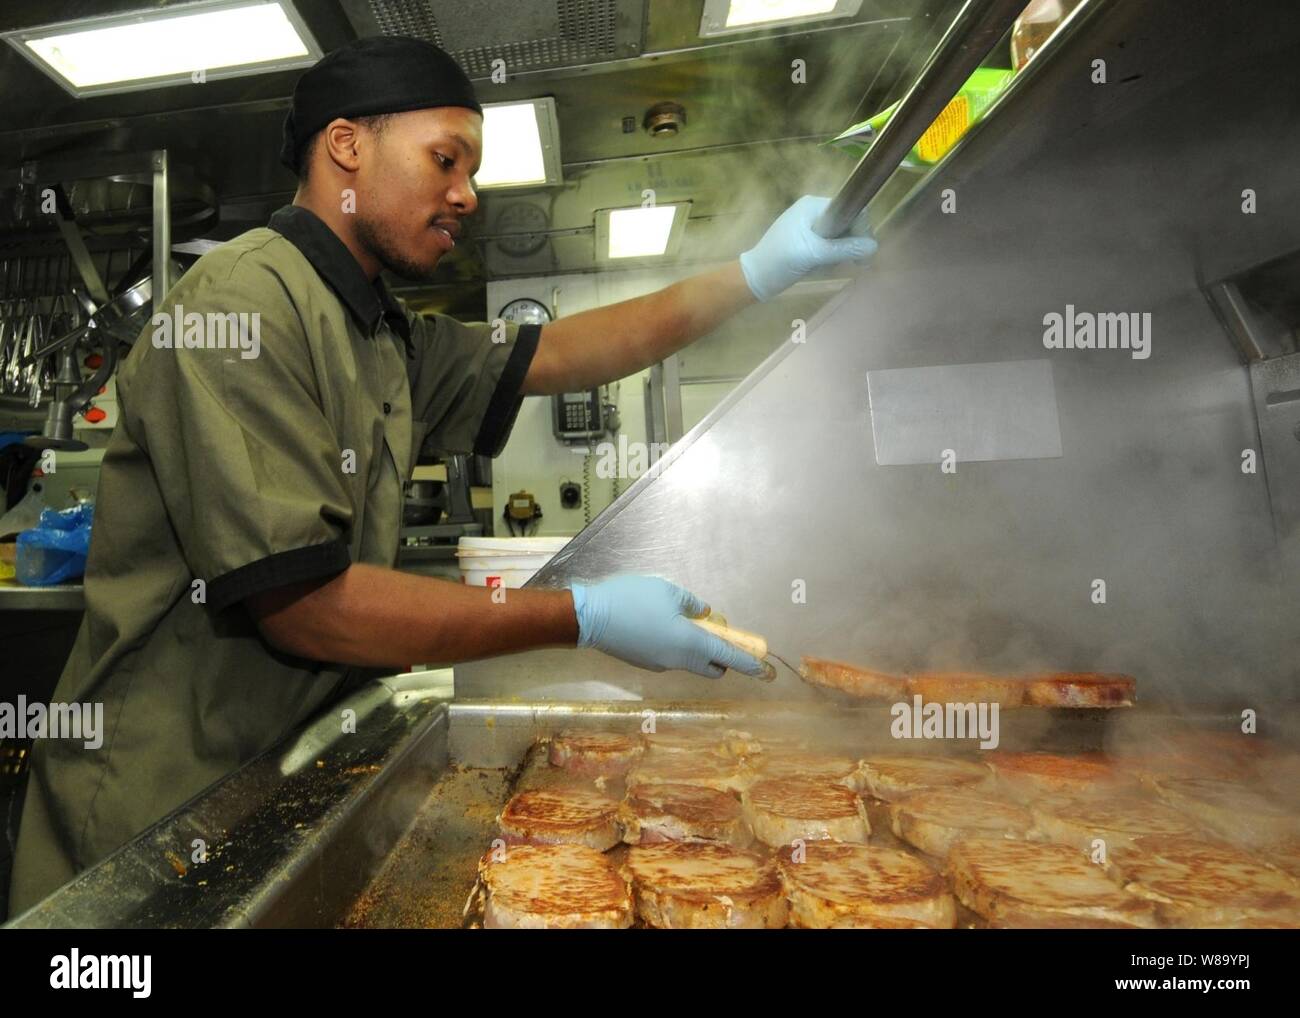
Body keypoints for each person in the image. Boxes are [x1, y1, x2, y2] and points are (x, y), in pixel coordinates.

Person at [6, 35, 876, 916]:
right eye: (445, 159)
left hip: (271, 780)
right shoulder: (243, 302)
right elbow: (308, 605)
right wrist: (584, 617)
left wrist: (757, 275)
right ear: (347, 146)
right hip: (154, 818)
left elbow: (565, 351)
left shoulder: (382, 330)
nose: (466, 194)